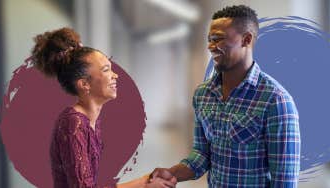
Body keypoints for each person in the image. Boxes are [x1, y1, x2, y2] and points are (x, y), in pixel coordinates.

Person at [151, 5, 301, 188]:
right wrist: (172, 173)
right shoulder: (203, 94)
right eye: (209, 40)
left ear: (246, 39)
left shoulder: (276, 101)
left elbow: (284, 181)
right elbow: (202, 154)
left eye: (218, 39)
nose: (210, 46)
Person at [30, 27, 177, 188]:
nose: (115, 75)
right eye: (106, 70)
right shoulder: (73, 124)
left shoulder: (90, 120)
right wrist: (144, 185)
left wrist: (147, 179)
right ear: (84, 84)